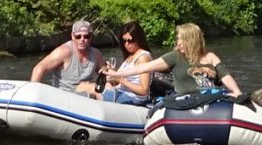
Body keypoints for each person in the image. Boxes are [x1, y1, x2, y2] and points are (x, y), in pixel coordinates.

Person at [101, 22, 242, 96]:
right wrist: (117, 74)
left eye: (181, 39)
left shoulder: (211, 57)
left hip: (209, 100)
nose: (178, 43)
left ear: (191, 40)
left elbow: (225, 76)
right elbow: (144, 68)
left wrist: (237, 93)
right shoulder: (175, 57)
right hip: (186, 102)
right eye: (178, 39)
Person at [30, 19, 104, 95]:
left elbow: (105, 73)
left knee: (106, 86)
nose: (82, 39)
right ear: (72, 36)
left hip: (86, 94)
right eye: (78, 36)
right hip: (65, 96)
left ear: (90, 37)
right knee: (96, 89)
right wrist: (32, 94)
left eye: (86, 36)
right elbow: (39, 69)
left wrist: (114, 75)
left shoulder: (96, 54)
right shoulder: (63, 52)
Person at [94, 21, 153, 105]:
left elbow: (144, 90)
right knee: (91, 85)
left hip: (133, 98)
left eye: (130, 40)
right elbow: (117, 81)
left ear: (139, 39)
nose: (126, 44)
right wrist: (110, 72)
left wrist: (120, 79)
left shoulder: (143, 57)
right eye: (124, 41)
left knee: (92, 88)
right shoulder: (130, 56)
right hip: (124, 93)